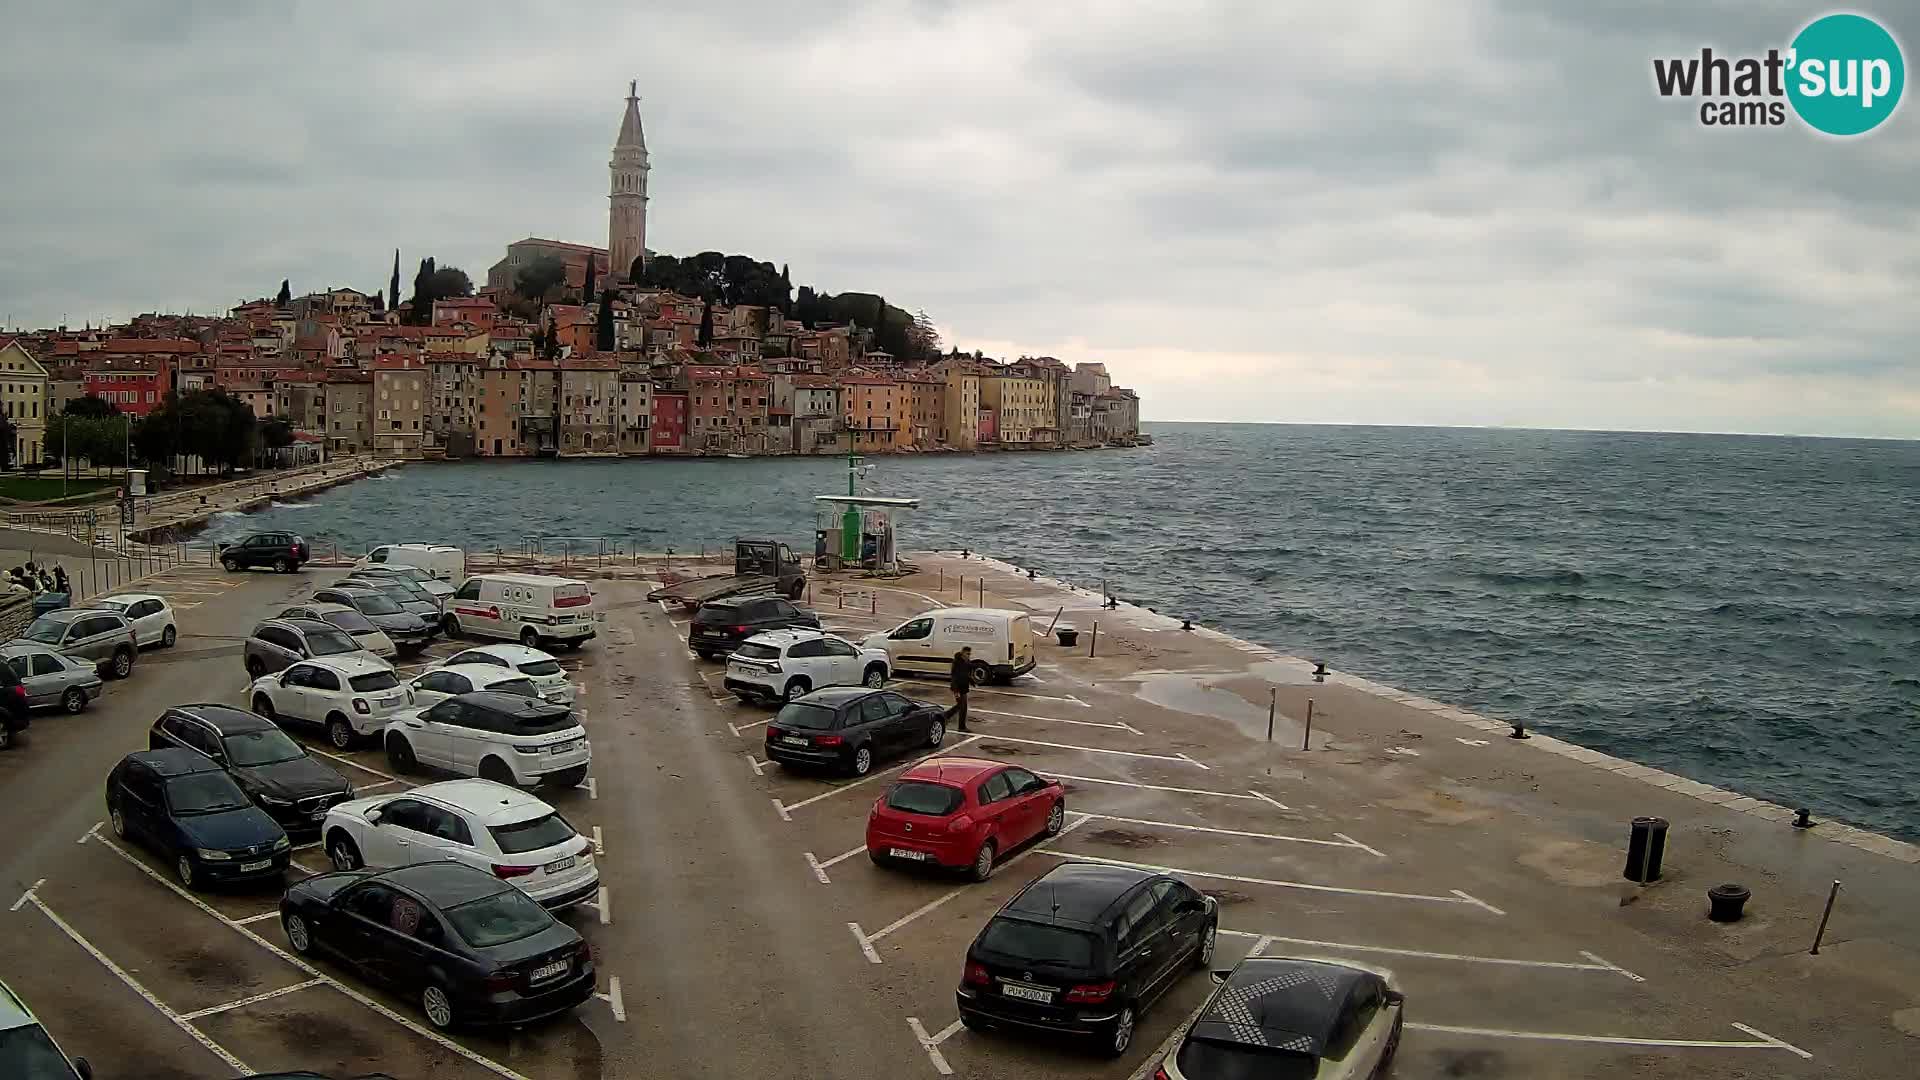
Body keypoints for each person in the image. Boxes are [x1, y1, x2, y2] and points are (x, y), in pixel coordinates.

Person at [948, 646, 974, 732]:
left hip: (964, 687)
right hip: (958, 688)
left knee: (961, 706)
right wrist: (955, 691)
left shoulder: (967, 662)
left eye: (969, 654)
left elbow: (966, 674)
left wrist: (972, 681)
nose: (968, 655)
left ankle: (946, 716)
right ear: (962, 653)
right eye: (967, 654)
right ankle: (961, 727)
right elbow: (954, 677)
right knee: (962, 706)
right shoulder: (957, 662)